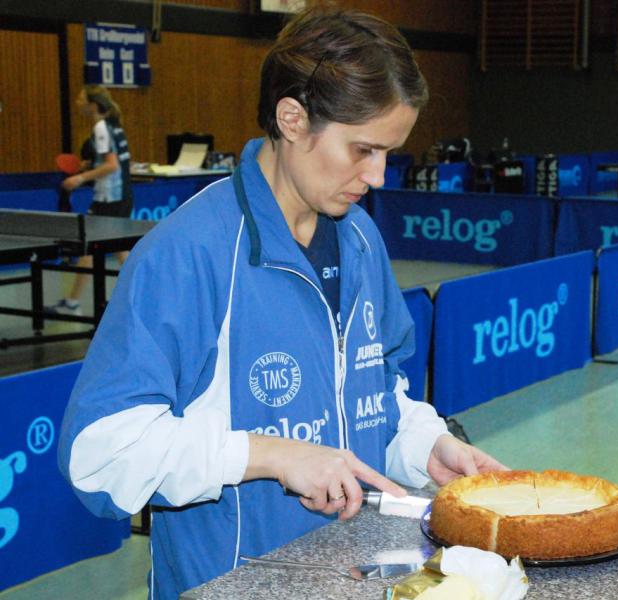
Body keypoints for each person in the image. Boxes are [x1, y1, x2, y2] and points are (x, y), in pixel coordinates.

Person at [58, 9, 507, 600]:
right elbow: (98, 456)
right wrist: (267, 454)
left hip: (356, 578)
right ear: (292, 118)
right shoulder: (189, 253)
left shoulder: (361, 239)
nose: (376, 176)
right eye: (363, 149)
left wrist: (427, 449)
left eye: (388, 153)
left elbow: (377, 394)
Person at [48, 85, 133, 315]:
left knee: (89, 248)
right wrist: (91, 165)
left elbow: (112, 164)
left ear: (92, 105)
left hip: (109, 198)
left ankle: (72, 303)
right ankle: (148, 296)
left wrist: (79, 178)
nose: (76, 102)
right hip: (121, 195)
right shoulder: (114, 125)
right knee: (119, 250)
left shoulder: (101, 128)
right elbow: (113, 163)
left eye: (80, 98)